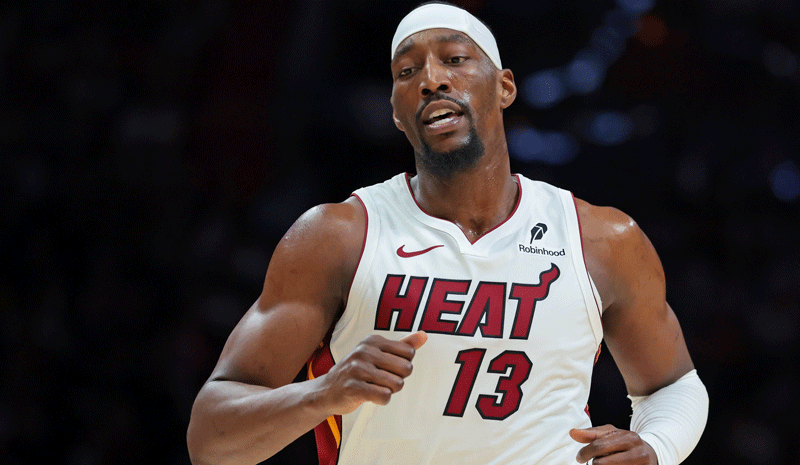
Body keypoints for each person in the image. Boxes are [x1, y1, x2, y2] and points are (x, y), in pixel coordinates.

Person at [186, 2, 709, 464]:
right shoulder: (338, 236)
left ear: (504, 86)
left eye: (454, 60)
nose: (431, 79)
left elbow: (675, 385)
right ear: (396, 112)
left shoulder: (602, 238)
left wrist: (658, 447)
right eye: (407, 70)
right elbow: (210, 439)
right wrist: (323, 393)